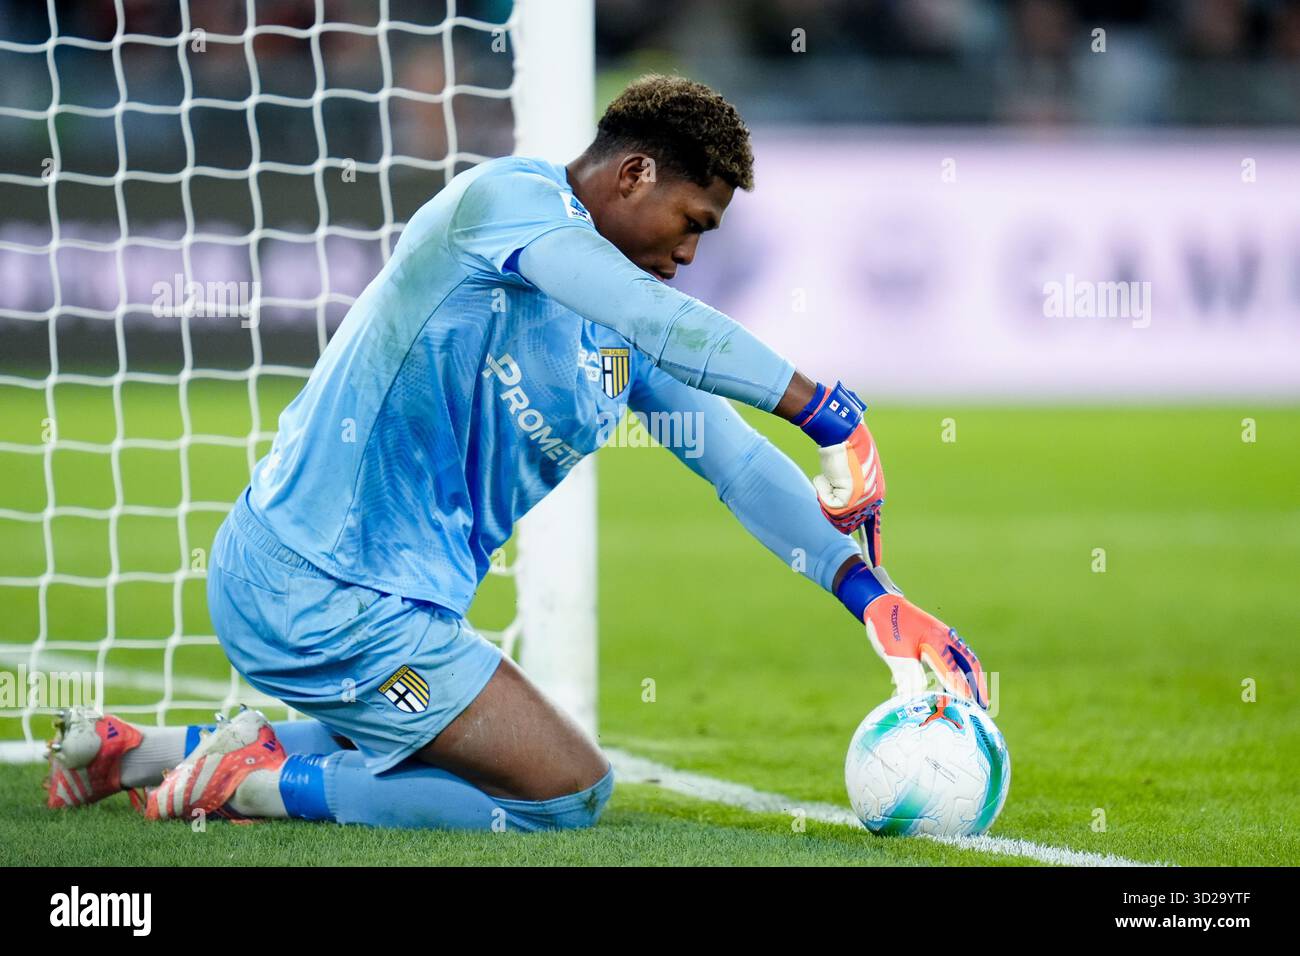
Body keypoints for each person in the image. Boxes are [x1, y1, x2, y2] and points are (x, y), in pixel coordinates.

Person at [44, 74, 986, 831]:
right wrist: (828, 412)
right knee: (563, 793)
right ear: (633, 175)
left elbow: (733, 462)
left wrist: (874, 599)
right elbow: (654, 317)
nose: (691, 254)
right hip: (316, 589)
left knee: (402, 728)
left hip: (390, 622)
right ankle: (246, 786)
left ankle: (140, 754)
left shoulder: (624, 338)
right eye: (692, 222)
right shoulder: (504, 203)